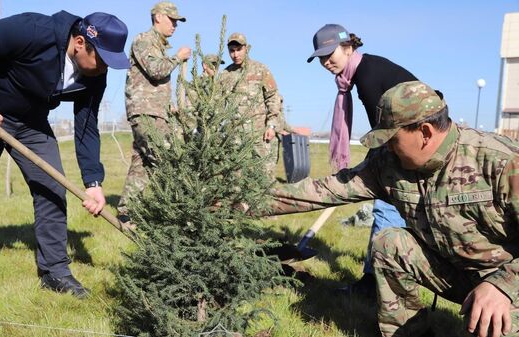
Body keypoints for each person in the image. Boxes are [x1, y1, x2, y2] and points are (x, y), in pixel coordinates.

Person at [269, 81, 519, 337]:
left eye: (393, 139)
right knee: (390, 242)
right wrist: (245, 201)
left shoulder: (501, 162)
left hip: (507, 283)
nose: (387, 147)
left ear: (425, 132)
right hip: (456, 273)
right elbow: (324, 190)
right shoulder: (389, 165)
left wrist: (503, 285)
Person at [0, 11, 130, 306]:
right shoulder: (34, 30)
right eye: (102, 59)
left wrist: (93, 182)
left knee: (52, 189)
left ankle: (55, 273)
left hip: (30, 121)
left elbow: (86, 126)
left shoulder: (95, 75)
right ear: (80, 43)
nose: (105, 68)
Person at [307, 24, 418, 297]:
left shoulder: (368, 78)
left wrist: (375, 163)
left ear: (348, 48)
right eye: (321, 57)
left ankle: (375, 284)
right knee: (393, 211)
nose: (326, 62)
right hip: (404, 145)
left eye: (330, 54)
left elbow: (386, 132)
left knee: (386, 211)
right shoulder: (363, 72)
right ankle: (383, 278)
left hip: (416, 146)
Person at [118, 1, 191, 224]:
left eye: (177, 23)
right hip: (146, 113)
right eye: (172, 20)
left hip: (156, 112)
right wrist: (178, 57)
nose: (175, 26)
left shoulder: (158, 46)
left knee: (143, 162)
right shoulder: (144, 40)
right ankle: (175, 216)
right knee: (167, 160)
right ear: (158, 17)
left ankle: (126, 213)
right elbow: (156, 70)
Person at [219, 33, 284, 180]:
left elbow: (273, 98)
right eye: (232, 51)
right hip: (235, 138)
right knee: (236, 180)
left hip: (260, 135)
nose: (235, 54)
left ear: (246, 48)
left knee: (264, 178)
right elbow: (219, 104)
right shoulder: (225, 74)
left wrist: (272, 125)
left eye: (238, 49)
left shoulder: (260, 69)